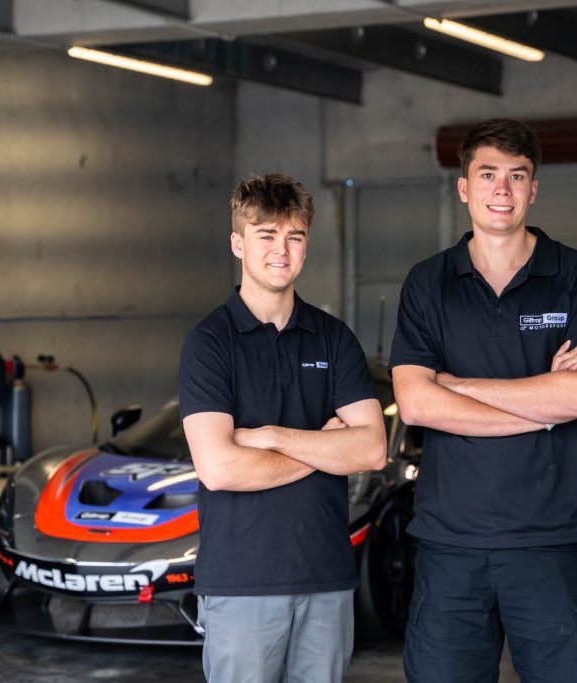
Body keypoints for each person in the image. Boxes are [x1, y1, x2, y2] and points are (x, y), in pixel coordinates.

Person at [390, 118, 577, 683]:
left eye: (517, 176)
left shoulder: (575, 274)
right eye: (488, 174)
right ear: (464, 187)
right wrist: (544, 405)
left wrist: (455, 384)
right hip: (450, 545)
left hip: (551, 541)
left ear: (534, 188)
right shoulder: (427, 283)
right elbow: (416, 405)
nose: (503, 189)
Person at [179, 173, 387, 683]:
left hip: (327, 577)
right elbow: (220, 468)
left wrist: (270, 435)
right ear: (237, 243)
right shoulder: (209, 343)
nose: (281, 249)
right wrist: (327, 444)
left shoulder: (333, 338)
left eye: (294, 236)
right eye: (265, 235)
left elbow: (373, 450)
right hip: (241, 581)